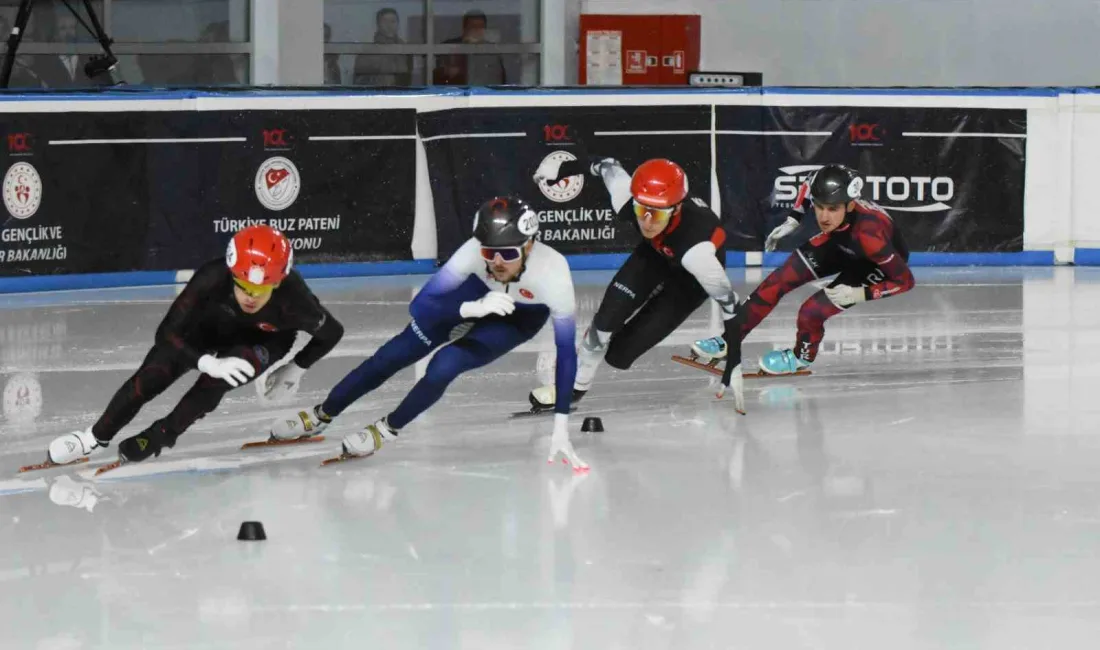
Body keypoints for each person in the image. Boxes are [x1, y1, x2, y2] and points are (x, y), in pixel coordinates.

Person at [267, 196, 588, 469]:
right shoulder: (472, 253)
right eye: (490, 252)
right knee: (392, 355)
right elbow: (421, 305)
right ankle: (323, 414)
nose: (498, 262)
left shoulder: (553, 274)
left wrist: (561, 423)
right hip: (474, 296)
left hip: (518, 318)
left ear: (530, 246)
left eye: (508, 253)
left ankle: (387, 429)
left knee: (445, 365)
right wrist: (469, 310)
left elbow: (565, 350)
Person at [42, 225, 344, 467]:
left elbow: (331, 333)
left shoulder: (297, 301)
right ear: (231, 273)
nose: (250, 297)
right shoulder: (212, 277)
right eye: (243, 285)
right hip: (209, 328)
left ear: (278, 283)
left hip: (263, 341)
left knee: (223, 377)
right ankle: (92, 438)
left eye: (260, 289)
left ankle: (161, 435)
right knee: (152, 375)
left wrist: (295, 367)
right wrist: (203, 360)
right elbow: (166, 333)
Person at [527, 157, 745, 414]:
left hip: (689, 280)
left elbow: (731, 305)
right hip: (655, 254)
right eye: (642, 211)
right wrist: (563, 169)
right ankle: (572, 390)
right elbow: (607, 165)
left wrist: (734, 360)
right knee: (603, 324)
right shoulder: (627, 199)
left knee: (619, 356)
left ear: (676, 209)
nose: (648, 222)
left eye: (658, 214)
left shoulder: (697, 253)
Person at [691, 164, 915, 375]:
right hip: (840, 241)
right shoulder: (826, 198)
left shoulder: (870, 236)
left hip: (875, 262)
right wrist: (793, 220)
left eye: (832, 209)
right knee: (776, 282)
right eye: (819, 206)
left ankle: (800, 357)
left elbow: (905, 281)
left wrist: (860, 293)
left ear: (850, 205)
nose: (824, 217)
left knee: (811, 311)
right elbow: (808, 184)